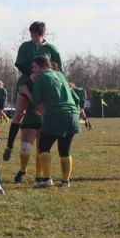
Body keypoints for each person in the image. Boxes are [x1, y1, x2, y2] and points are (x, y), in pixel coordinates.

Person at [3, 21, 63, 161]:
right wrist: (30, 73)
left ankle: (42, 151)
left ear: (42, 34)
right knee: (19, 113)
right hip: (26, 83)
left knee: (42, 116)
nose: (33, 37)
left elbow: (59, 69)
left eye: (35, 35)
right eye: (31, 34)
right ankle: (9, 146)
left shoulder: (52, 49)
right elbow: (19, 64)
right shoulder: (25, 46)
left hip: (44, 86)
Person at [19, 55, 78, 188]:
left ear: (43, 66)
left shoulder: (42, 77)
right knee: (65, 149)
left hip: (56, 116)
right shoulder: (60, 75)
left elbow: (36, 101)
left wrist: (27, 92)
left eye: (35, 67)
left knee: (44, 146)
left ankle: (46, 179)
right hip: (73, 114)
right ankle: (65, 181)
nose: (33, 71)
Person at [13, 99, 43, 185]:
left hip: (44, 119)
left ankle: (38, 175)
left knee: (41, 150)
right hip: (29, 119)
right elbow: (20, 105)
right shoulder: (24, 85)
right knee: (25, 148)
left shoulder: (49, 85)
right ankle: (22, 169)